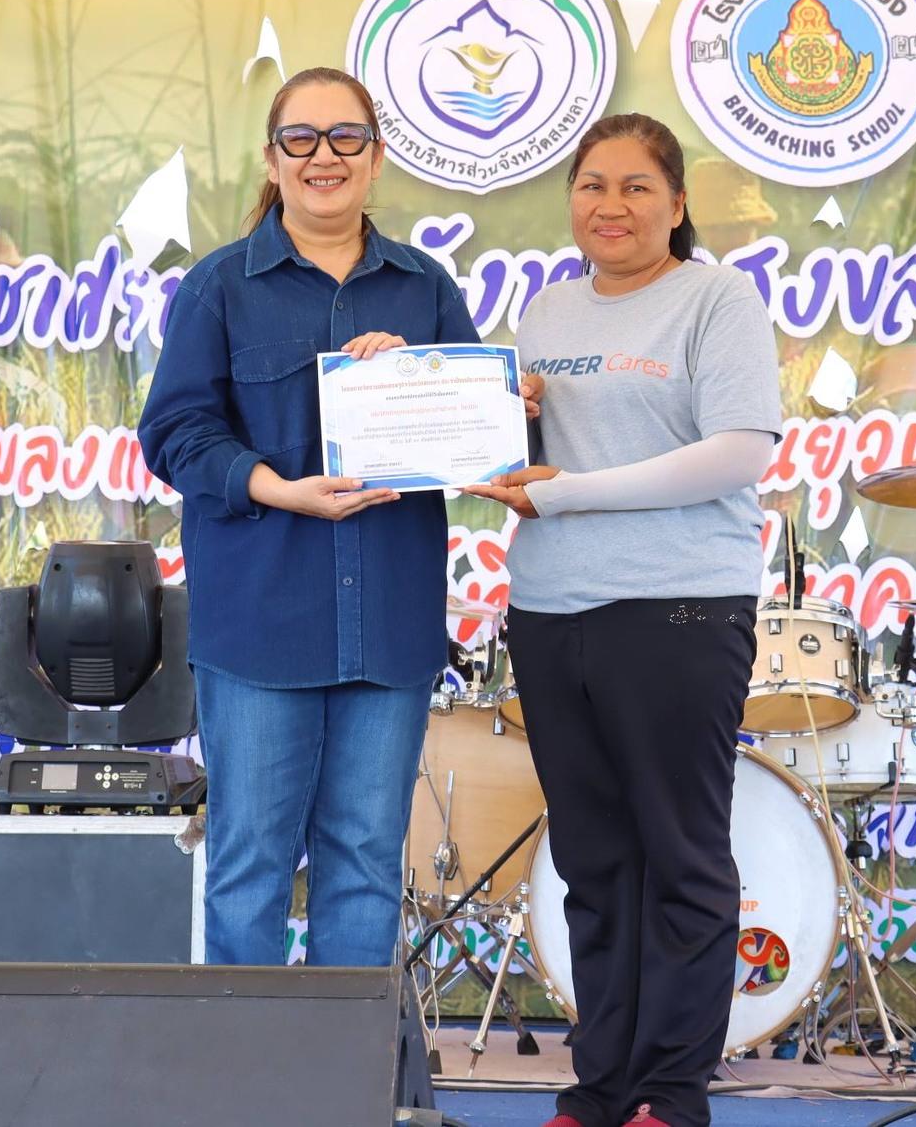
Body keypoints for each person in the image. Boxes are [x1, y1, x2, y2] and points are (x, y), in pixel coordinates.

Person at [138, 65, 509, 968]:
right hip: (260, 628)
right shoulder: (219, 286)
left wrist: (425, 379)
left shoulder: (423, 287)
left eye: (346, 137)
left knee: (366, 867)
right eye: (300, 139)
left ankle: (348, 1059)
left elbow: (478, 434)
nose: (324, 156)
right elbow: (175, 433)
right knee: (250, 867)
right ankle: (252, 1061)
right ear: (273, 160)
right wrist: (278, 487)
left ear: (375, 158)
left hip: (388, 629)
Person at [466, 114, 783, 1127]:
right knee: (594, 863)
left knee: (680, 858)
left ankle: (669, 1094)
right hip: (549, 610)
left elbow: (738, 452)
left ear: (676, 204)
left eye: (637, 186)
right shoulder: (546, 311)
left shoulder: (717, 300)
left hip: (677, 608)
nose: (611, 205)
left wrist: (569, 493)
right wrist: (498, 419)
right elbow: (528, 458)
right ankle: (600, 1086)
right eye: (592, 185)